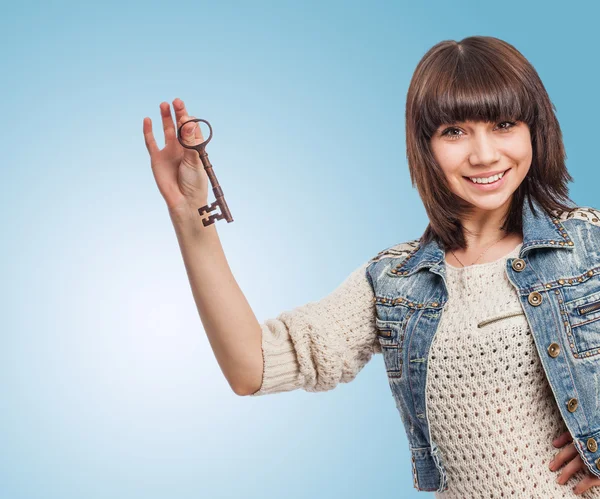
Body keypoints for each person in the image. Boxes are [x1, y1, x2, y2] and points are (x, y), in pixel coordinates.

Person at [142, 35, 600, 497]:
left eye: (503, 124)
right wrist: (190, 212)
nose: (483, 154)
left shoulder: (589, 243)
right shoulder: (396, 283)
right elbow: (251, 366)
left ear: (534, 130)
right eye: (454, 132)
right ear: (425, 146)